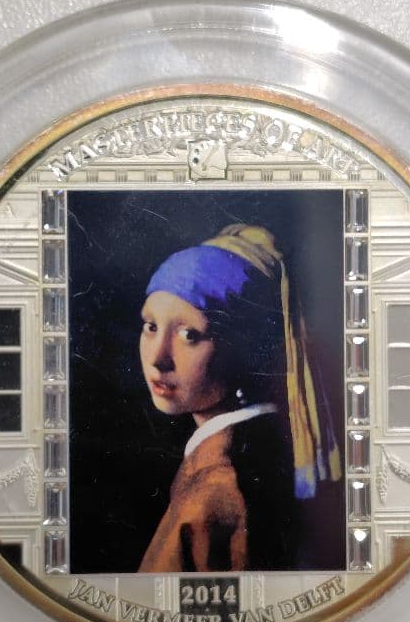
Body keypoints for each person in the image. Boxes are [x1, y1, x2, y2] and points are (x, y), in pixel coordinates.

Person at [137, 224, 340, 573]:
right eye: (151, 326)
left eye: (189, 334)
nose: (158, 358)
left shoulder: (220, 486)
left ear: (244, 346)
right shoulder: (242, 455)